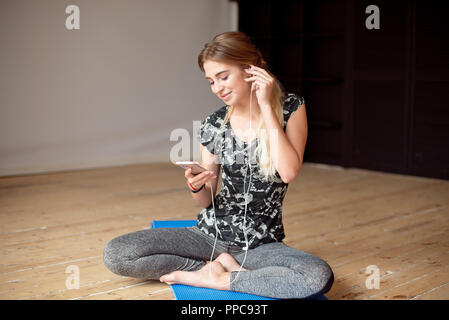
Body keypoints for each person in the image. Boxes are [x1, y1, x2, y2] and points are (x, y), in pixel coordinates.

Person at [103, 31, 334, 299]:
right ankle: (205, 270)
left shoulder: (291, 108)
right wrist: (195, 184)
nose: (217, 88)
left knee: (316, 275)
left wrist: (265, 107)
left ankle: (221, 279)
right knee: (118, 253)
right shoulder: (214, 124)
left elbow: (288, 171)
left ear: (251, 69)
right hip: (208, 235)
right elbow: (205, 201)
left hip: (260, 246)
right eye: (211, 81)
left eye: (223, 77)